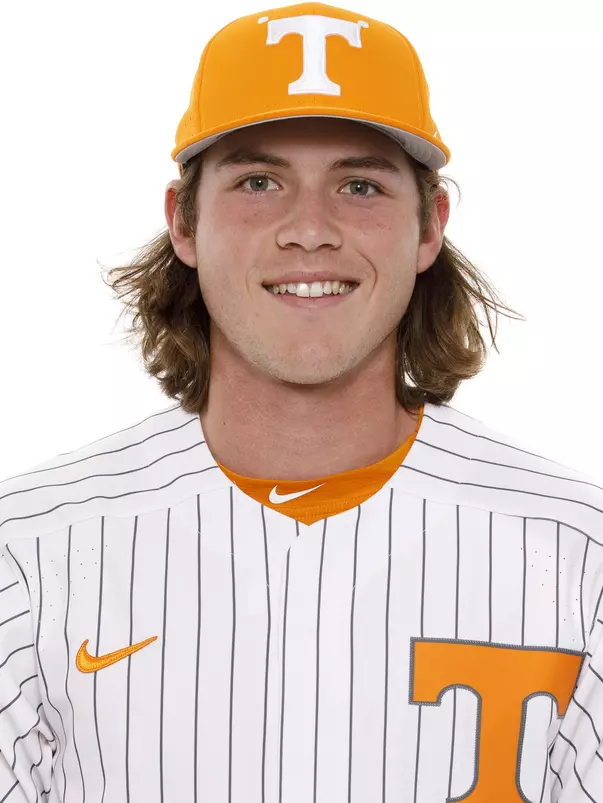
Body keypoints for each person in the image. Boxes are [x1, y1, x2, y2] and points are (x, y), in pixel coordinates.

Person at [0, 2, 602, 800]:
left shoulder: (577, 558)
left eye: (358, 184)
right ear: (183, 221)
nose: (309, 229)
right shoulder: (30, 554)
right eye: (258, 181)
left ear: (429, 228)